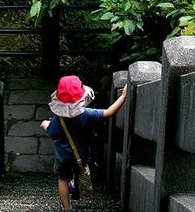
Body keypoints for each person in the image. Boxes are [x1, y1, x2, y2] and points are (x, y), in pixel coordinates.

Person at [39, 75, 128, 211]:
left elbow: (52, 133)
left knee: (62, 179)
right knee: (79, 172)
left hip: (62, 158)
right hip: (81, 155)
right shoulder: (87, 114)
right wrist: (123, 96)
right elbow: (108, 113)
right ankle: (75, 186)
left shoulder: (58, 119)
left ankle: (66, 208)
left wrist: (45, 124)